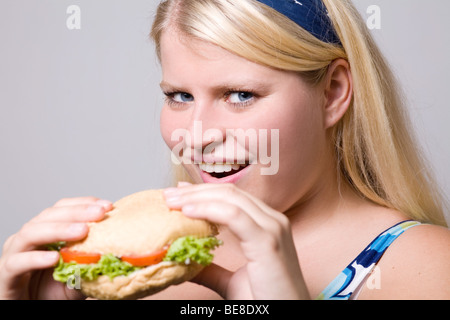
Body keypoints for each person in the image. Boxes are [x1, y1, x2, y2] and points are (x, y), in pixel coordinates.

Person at [0, 0, 449, 300]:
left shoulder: (427, 270)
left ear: (332, 93)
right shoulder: (149, 269)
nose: (196, 137)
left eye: (239, 95)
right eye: (179, 96)